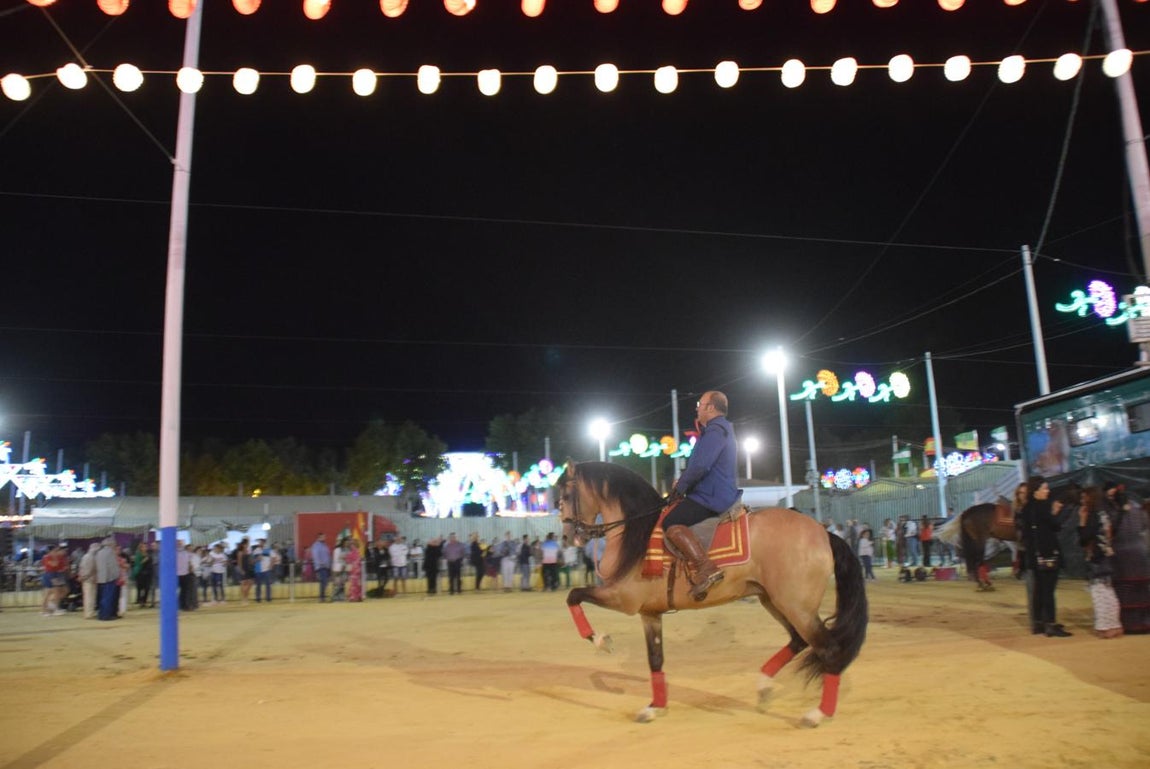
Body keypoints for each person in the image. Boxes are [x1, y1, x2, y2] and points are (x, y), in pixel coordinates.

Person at [665, 390, 738, 601]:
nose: (697, 408)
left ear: (711, 407)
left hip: (712, 496)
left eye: (700, 404)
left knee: (671, 521)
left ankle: (706, 567)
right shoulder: (719, 429)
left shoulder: (715, 430)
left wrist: (679, 489)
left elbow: (700, 466)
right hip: (712, 492)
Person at [1018, 476, 1071, 637]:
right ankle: (1051, 624)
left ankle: (1039, 623)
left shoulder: (1026, 509)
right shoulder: (1043, 507)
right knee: (1048, 590)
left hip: (1034, 555)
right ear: (1036, 491)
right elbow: (1055, 526)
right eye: (1045, 488)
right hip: (1047, 553)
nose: (1048, 491)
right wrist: (1055, 512)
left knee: (1039, 590)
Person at [1077, 485, 1123, 639]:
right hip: (1107, 555)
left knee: (1099, 594)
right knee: (1109, 592)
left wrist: (1081, 521)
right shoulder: (1104, 514)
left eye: (1084, 497)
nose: (1082, 500)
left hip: (1096, 557)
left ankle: (1104, 628)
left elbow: (1084, 538)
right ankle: (1115, 625)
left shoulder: (1092, 515)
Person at [1106, 483, 1150, 633]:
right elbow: (1144, 526)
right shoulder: (1138, 509)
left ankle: (1129, 624)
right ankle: (1144, 623)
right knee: (1141, 589)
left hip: (1121, 554)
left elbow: (1110, 532)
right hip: (1139, 552)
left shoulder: (1112, 512)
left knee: (1125, 589)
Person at [39, 543, 69, 616]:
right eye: (54, 551)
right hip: (50, 574)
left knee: (58, 592)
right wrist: (56, 558)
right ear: (50, 551)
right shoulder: (47, 557)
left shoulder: (56, 557)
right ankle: (45, 610)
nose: (56, 552)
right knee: (49, 593)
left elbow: (62, 566)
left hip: (55, 574)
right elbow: (54, 564)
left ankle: (52, 607)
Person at [78, 541, 101, 619]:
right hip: (89, 579)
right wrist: (85, 577)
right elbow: (91, 569)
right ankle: (89, 613)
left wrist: (82, 576)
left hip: (87, 579)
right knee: (89, 597)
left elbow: (81, 567)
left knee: (89, 597)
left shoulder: (85, 556)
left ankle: (89, 612)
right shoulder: (92, 557)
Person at [310, 532, 332, 602]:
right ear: (319, 537)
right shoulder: (316, 545)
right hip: (321, 567)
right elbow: (316, 556)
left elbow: (328, 555)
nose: (324, 538)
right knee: (323, 582)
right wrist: (320, 564)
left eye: (324, 537)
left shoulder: (325, 545)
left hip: (326, 566)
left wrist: (329, 565)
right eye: (323, 537)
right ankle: (321, 597)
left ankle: (323, 596)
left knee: (325, 582)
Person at [131, 542, 153, 609]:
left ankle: (144, 601)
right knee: (140, 588)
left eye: (146, 547)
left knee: (147, 588)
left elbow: (150, 563)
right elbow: (137, 564)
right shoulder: (138, 555)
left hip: (148, 574)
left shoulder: (148, 555)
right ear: (140, 548)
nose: (145, 548)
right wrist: (144, 560)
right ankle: (140, 601)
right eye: (143, 547)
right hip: (140, 574)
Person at [331, 537, 348, 601]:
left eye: (347, 543)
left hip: (344, 569)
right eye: (346, 543)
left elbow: (347, 559)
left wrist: (345, 564)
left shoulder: (346, 550)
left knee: (342, 584)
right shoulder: (337, 550)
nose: (347, 544)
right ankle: (334, 597)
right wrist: (343, 559)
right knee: (337, 584)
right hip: (337, 569)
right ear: (343, 543)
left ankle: (341, 597)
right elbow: (336, 559)